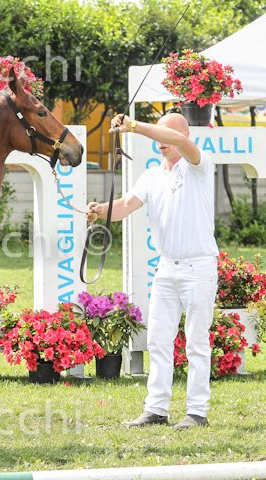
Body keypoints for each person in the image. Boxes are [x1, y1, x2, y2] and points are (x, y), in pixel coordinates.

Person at [86, 113, 218, 430]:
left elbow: (179, 141)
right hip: (166, 268)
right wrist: (101, 211)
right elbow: (125, 206)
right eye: (157, 134)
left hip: (199, 266)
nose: (160, 140)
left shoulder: (199, 164)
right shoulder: (151, 176)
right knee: (158, 340)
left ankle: (197, 412)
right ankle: (156, 409)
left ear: (185, 134)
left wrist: (134, 127)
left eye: (165, 133)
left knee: (196, 342)